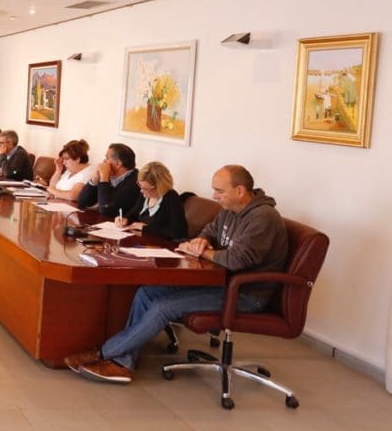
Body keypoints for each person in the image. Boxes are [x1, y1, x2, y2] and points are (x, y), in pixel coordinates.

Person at [65, 165, 288, 384]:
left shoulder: (263, 217)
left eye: (219, 191)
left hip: (245, 293)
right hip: (219, 280)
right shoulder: (230, 210)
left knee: (163, 307)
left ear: (239, 190)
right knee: (147, 293)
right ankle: (123, 362)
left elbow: (236, 260)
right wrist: (202, 241)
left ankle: (104, 353)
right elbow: (210, 230)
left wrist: (204, 252)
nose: (214, 196)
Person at [113, 161, 187, 240]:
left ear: (160, 186)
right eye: (140, 186)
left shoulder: (171, 198)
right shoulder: (145, 195)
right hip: (144, 240)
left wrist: (146, 228)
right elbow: (133, 213)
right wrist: (125, 219)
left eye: (145, 188)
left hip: (162, 244)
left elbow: (178, 233)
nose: (141, 191)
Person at [77, 143, 141, 217]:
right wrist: (94, 180)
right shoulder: (111, 176)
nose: (104, 161)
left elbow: (106, 210)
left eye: (107, 158)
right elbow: (82, 202)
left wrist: (104, 178)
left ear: (118, 163)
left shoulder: (135, 182)